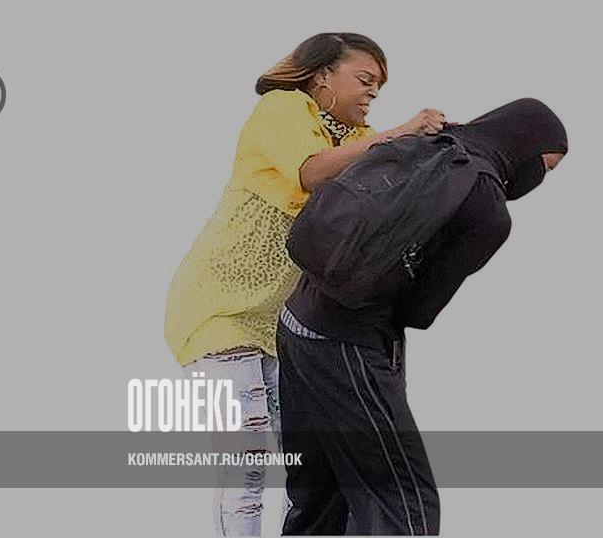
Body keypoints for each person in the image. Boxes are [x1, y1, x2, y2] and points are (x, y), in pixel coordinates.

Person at [163, 32, 447, 537]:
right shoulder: (282, 109)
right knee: (248, 462)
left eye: (379, 87)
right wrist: (401, 131)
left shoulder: (359, 139)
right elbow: (312, 173)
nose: (372, 93)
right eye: (365, 79)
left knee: (308, 462)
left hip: (280, 326)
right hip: (218, 311)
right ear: (322, 77)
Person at [277, 98, 569, 535]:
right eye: (544, 167)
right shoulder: (488, 205)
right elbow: (419, 310)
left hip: (294, 323)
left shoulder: (425, 142)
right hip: (348, 342)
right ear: (524, 147)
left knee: (320, 495)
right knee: (404, 500)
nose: (538, 179)